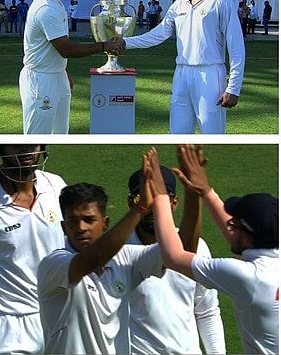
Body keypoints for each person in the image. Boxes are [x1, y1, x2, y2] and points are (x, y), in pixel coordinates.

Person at [37, 161, 201, 354]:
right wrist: (139, 210)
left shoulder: (126, 258)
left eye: (89, 220)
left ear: (105, 223)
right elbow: (92, 260)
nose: (81, 228)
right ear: (64, 228)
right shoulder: (54, 264)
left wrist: (193, 193)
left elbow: (182, 250)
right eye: (73, 221)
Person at [144, 145, 279, 354]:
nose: (230, 226)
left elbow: (172, 256)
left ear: (248, 235)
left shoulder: (248, 277)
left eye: (235, 224)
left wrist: (160, 194)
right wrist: (206, 191)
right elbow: (240, 239)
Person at [122, 0, 245, 134]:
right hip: (181, 74)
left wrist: (233, 88)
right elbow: (158, 35)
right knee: (178, 133)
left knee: (212, 134)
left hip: (210, 74)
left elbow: (236, 48)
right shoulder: (179, 3)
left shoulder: (220, 1)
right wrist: (125, 42)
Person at [0, 144, 67, 354]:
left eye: (32, 145)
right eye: (17, 145)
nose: (27, 150)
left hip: (59, 315)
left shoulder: (56, 186)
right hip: (10, 325)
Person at [123, 166, 225, 354]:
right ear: (132, 203)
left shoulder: (199, 247)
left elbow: (206, 311)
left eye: (160, 198)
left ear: (174, 203)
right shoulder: (117, 253)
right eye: (143, 197)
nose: (153, 207)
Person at [20, 0, 124, 134]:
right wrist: (104, 46)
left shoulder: (55, 2)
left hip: (57, 75)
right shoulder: (46, 7)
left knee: (61, 134)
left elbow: (57, 48)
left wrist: (64, 71)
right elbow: (66, 49)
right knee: (37, 138)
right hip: (41, 79)